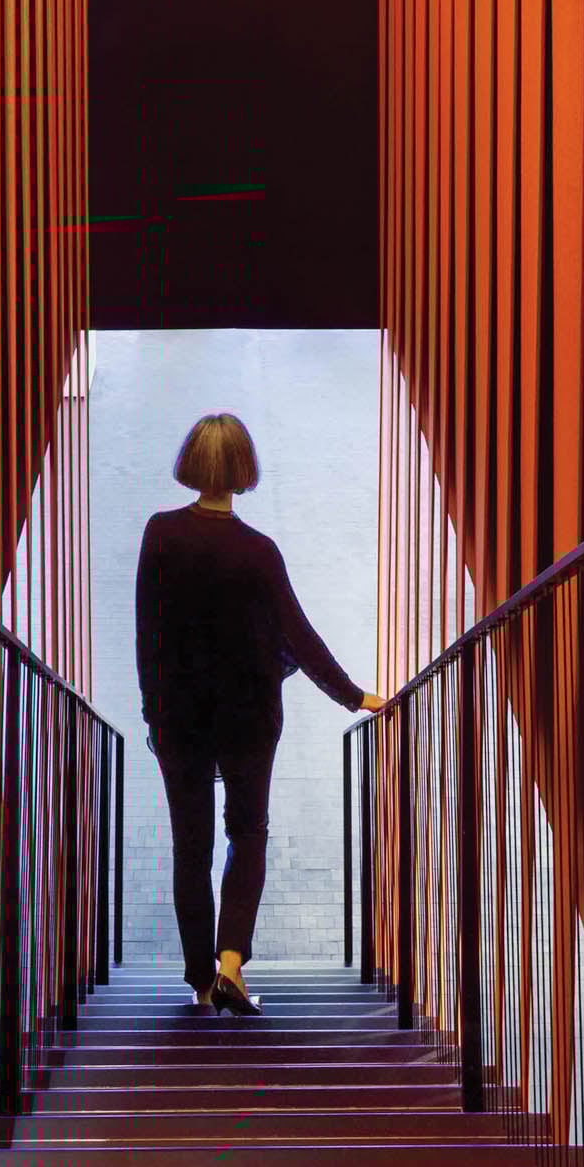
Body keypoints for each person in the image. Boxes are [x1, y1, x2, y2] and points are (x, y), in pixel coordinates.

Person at [135, 412, 386, 1016]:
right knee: (247, 833)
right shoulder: (259, 552)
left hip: (181, 718)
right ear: (244, 471)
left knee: (189, 845)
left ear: (190, 464)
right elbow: (299, 635)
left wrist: (153, 711)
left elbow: (148, 632)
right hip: (249, 717)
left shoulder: (160, 534)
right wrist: (355, 696)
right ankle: (231, 964)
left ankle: (199, 982)